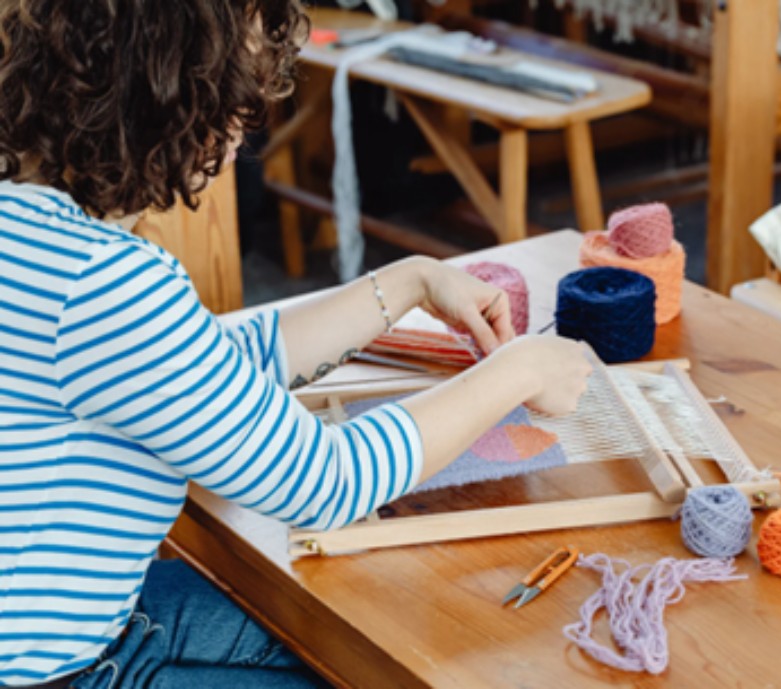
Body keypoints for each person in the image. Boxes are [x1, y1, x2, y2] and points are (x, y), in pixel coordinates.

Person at [0, 1, 593, 687]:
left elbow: (200, 362)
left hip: (73, 632)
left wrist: (411, 282)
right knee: (391, 652)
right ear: (168, 99)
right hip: (61, 674)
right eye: (233, 99)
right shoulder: (102, 283)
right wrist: (514, 374)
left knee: (359, 619)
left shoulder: (34, 228)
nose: (238, 135)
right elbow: (326, 481)